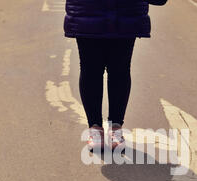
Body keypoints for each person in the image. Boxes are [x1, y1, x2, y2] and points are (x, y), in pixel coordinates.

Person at [64, 0, 168, 151]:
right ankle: (95, 128)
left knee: (120, 70)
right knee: (90, 70)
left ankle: (116, 127)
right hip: (87, 12)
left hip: (125, 13)